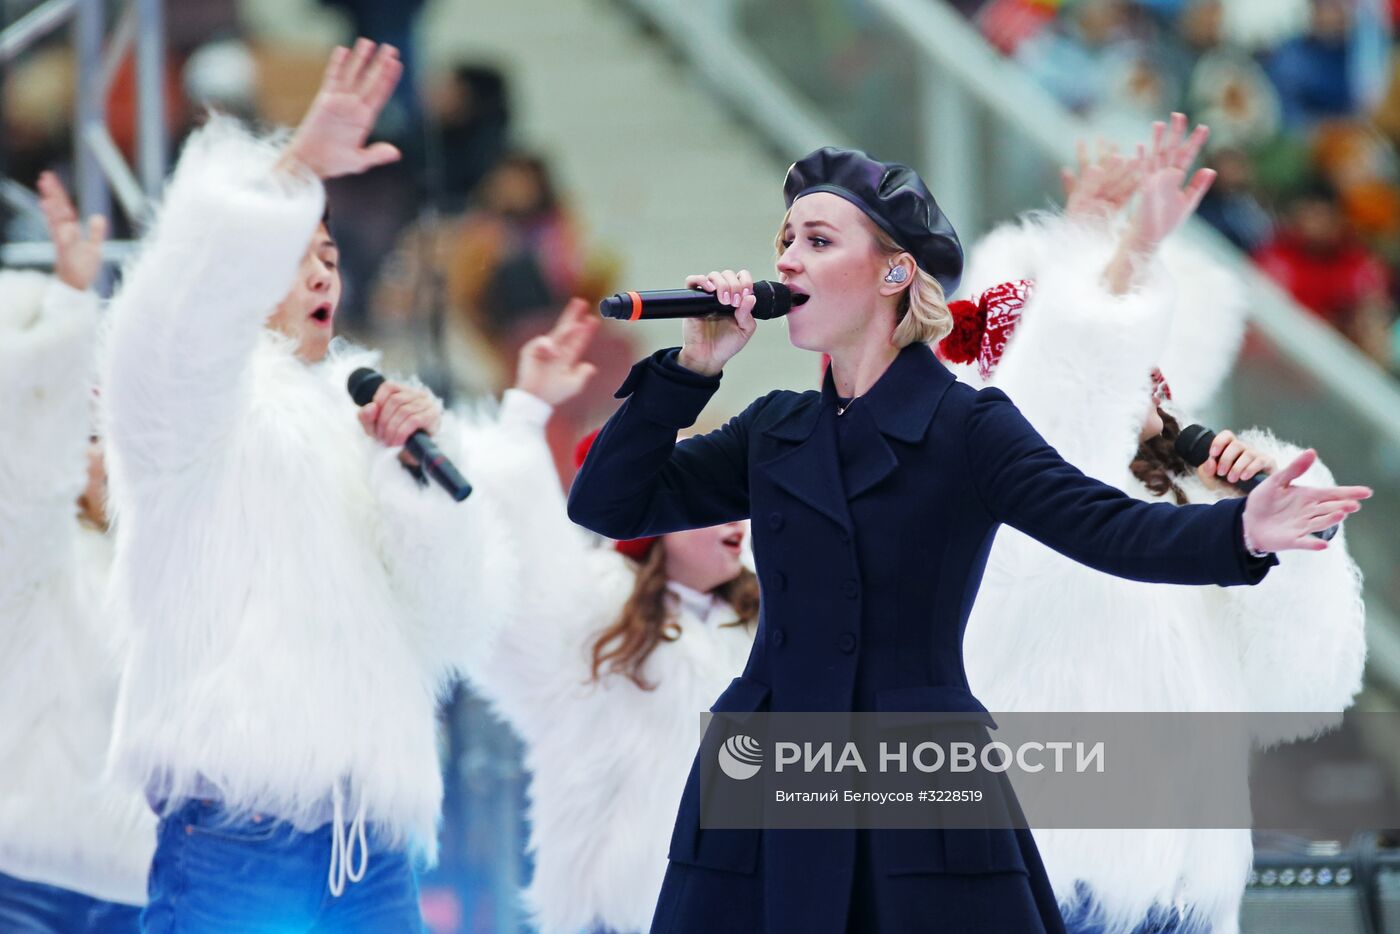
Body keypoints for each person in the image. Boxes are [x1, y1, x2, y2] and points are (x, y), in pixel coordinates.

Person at [565, 134, 1371, 932]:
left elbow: (1107, 527)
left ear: (892, 271)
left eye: (816, 240)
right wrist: (694, 367)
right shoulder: (775, 427)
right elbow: (608, 504)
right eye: (784, 241)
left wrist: (1243, 532)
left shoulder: (966, 425)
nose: (786, 261)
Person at [101, 40, 507, 931]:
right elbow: (175, 314)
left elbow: (449, 628)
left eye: (329, 251)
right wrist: (288, 176)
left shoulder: (355, 421)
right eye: (297, 251)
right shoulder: (193, 411)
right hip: (237, 837)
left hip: (374, 850)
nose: (324, 268)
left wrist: (413, 486)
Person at [950, 122, 1366, 934]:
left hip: (1183, 890)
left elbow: (1300, 690)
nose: (1134, 377)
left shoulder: (1195, 494)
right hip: (1044, 875)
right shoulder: (1002, 477)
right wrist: (1120, 255)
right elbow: (1059, 407)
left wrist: (1292, 537)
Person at [458, 299, 758, 934]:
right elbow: (513, 573)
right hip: (614, 918)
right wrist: (527, 411)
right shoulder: (596, 622)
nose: (735, 519)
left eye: (741, 503)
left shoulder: (772, 628)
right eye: (712, 503)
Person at [0, 174, 155, 931]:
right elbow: (29, 459)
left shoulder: (176, 570)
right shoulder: (32, 551)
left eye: (113, 441)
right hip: (24, 880)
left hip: (144, 887)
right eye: (88, 441)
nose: (102, 460)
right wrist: (68, 301)